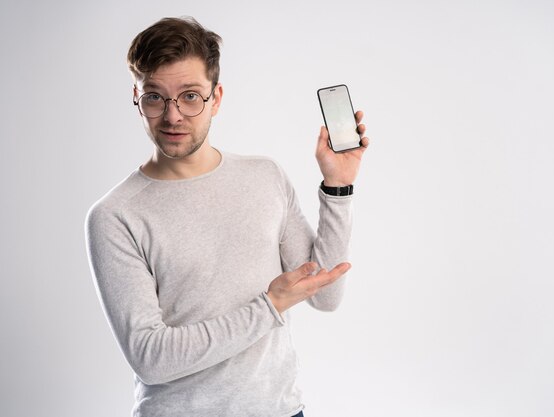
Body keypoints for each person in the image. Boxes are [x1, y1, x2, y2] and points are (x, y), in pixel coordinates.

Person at [85, 16, 368, 417]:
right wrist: (269, 307)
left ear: (216, 98)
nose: (172, 117)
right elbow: (151, 358)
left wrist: (338, 186)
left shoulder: (264, 176)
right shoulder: (115, 216)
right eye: (155, 97)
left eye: (190, 96)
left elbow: (324, 294)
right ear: (137, 97)